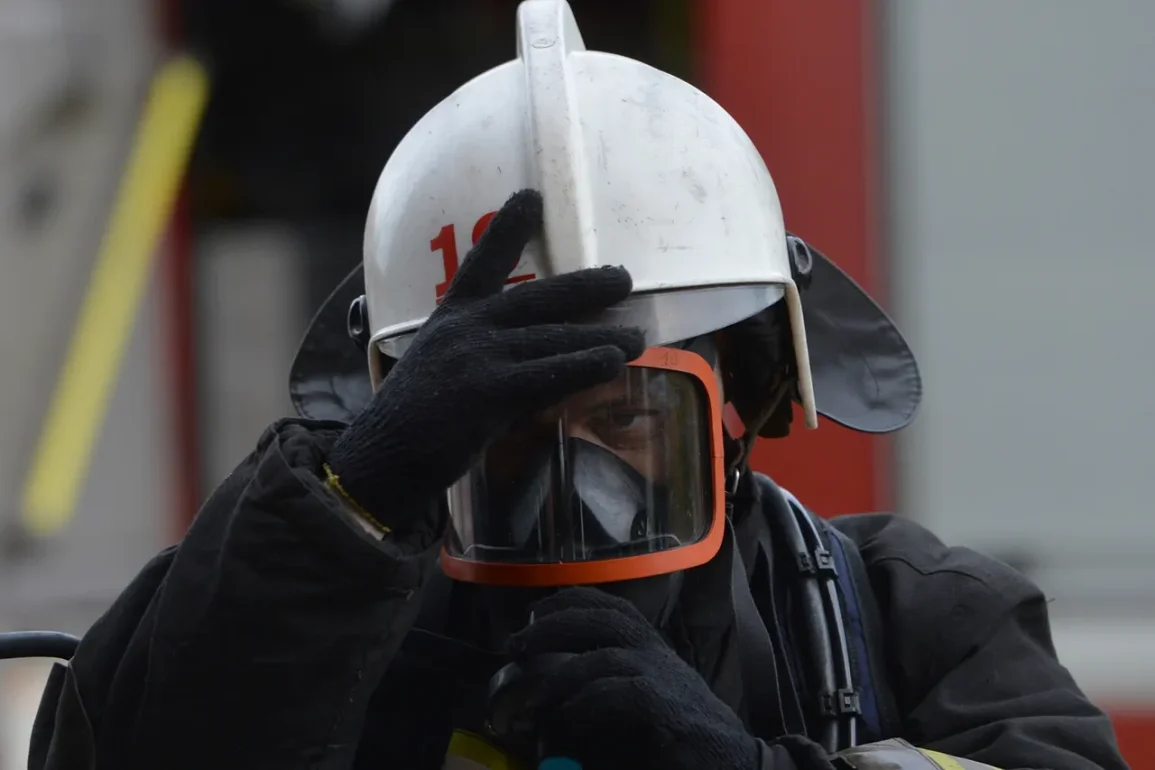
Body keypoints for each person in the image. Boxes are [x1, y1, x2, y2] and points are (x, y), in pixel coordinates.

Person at [26, 2, 1128, 769]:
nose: (576, 479)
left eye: (627, 416)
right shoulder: (292, 629)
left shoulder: (908, 619)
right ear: (411, 424)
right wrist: (338, 506)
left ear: (741, 404)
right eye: (501, 425)